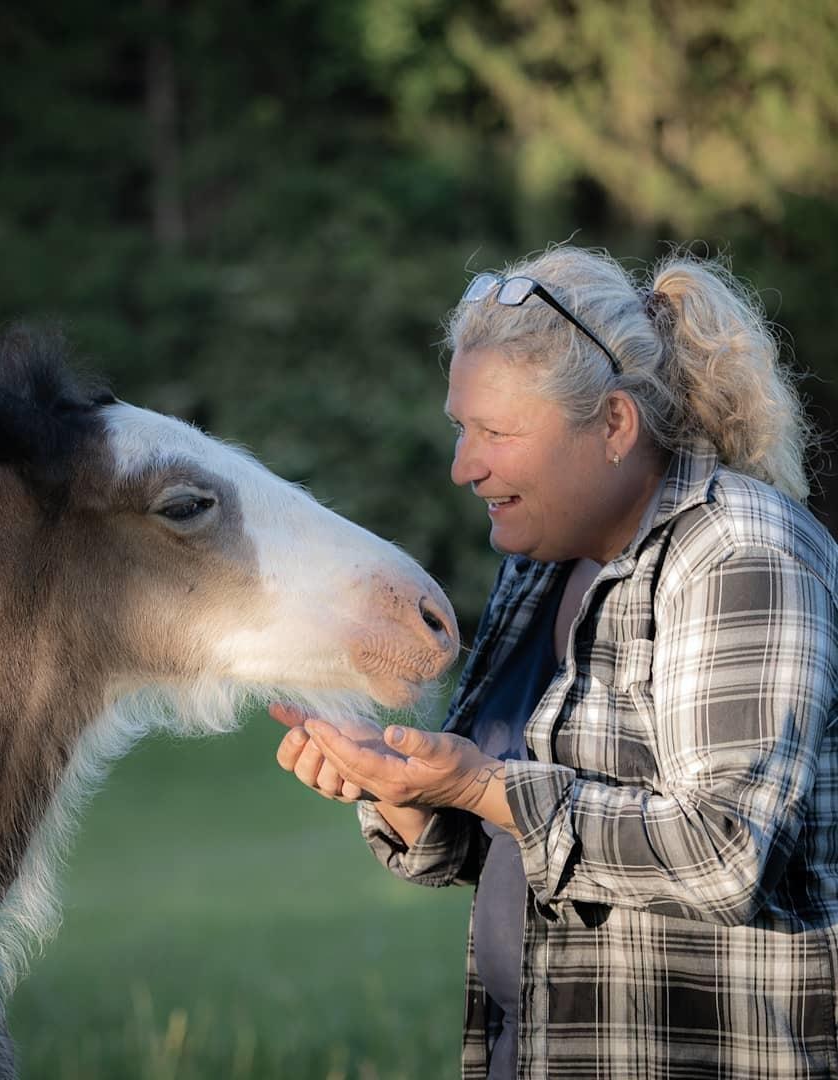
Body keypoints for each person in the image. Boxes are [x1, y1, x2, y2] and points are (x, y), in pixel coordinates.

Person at [272, 245, 838, 1080]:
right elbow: (514, 849)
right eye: (461, 428)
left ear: (613, 424)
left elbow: (724, 853)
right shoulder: (541, 567)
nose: (465, 466)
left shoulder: (737, 555)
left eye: (497, 432)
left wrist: (474, 784)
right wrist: (405, 796)